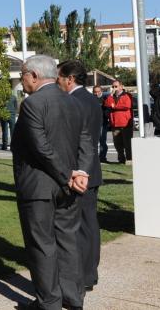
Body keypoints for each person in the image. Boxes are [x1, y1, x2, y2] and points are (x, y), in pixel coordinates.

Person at [11, 55, 84, 310]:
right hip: (68, 185)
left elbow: (41, 148)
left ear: (34, 75)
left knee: (42, 246)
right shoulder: (72, 100)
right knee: (67, 241)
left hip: (40, 185)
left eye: (23, 75)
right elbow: (83, 142)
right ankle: (72, 298)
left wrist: (66, 175)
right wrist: (76, 174)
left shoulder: (32, 104)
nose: (22, 81)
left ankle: (49, 303)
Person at [57, 60, 102, 293]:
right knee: (90, 225)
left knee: (79, 227)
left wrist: (72, 172)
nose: (58, 82)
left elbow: (74, 140)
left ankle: (82, 275)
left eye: (59, 78)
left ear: (70, 79)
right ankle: (89, 273)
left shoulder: (72, 101)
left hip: (79, 172)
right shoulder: (93, 99)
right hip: (92, 170)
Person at [104, 80, 134, 164]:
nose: (114, 88)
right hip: (115, 123)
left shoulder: (127, 95)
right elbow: (107, 104)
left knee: (127, 143)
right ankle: (121, 159)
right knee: (117, 144)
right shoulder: (111, 96)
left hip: (126, 124)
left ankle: (129, 159)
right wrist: (110, 95)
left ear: (121, 86)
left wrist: (114, 106)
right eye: (113, 86)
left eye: (116, 86)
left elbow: (126, 106)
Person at [92, 85, 110, 163]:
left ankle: (102, 157)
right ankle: (95, 157)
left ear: (101, 91)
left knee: (102, 140)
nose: (97, 93)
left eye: (98, 91)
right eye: (95, 92)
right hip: (93, 123)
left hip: (102, 122)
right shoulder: (91, 99)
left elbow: (108, 109)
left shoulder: (105, 98)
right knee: (94, 141)